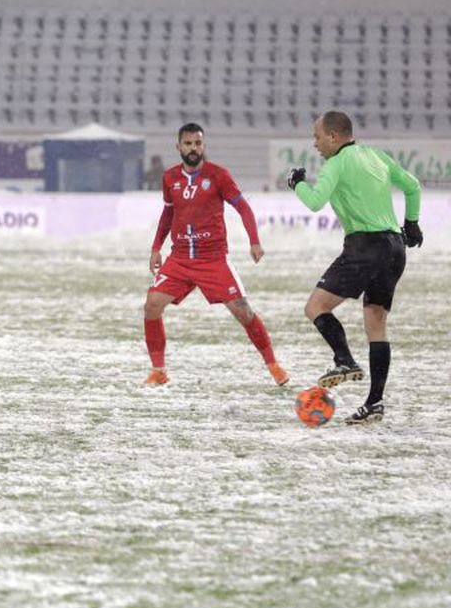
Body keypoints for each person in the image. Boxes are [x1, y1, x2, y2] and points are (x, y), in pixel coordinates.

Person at [287, 111, 422, 424]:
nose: (315, 144)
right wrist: (412, 222)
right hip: (394, 248)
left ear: (334, 137)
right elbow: (413, 185)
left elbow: (315, 201)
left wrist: (298, 184)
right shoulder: (377, 156)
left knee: (315, 307)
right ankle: (374, 403)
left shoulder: (336, 163)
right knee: (376, 323)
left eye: (317, 137)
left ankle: (344, 360)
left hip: (365, 247)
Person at [144, 123, 288, 387]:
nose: (193, 148)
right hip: (179, 259)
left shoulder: (219, 175)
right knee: (152, 305)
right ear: (178, 147)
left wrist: (254, 241)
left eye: (197, 143)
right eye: (187, 144)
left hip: (213, 259)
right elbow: (168, 215)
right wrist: (156, 248)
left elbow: (243, 208)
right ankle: (158, 370)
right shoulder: (170, 178)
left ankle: (273, 365)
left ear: (204, 146)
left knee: (243, 311)